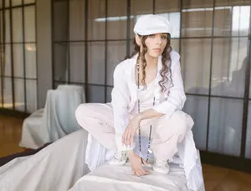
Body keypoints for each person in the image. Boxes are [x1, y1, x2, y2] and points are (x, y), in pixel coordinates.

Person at [75, 14, 203, 190]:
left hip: (156, 119)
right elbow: (119, 110)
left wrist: (140, 117)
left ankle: (161, 158)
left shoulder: (172, 60)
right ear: (138, 38)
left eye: (163, 37)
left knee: (181, 120)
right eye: (152, 36)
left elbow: (178, 98)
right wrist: (131, 153)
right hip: (129, 119)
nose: (159, 42)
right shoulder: (123, 69)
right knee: (83, 112)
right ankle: (121, 151)